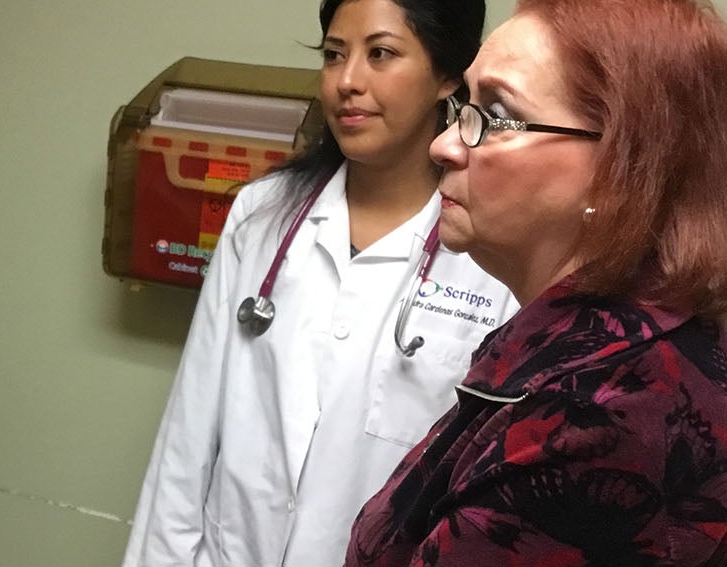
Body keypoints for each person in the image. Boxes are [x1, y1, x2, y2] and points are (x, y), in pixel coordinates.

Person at [345, 0, 727, 564]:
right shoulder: (615, 342)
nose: (444, 145)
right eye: (464, 106)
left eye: (496, 114)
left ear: (618, 171)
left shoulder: (600, 420)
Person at [123, 0, 516, 565]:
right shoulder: (262, 216)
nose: (347, 82)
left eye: (381, 54)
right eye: (334, 55)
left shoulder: (491, 251)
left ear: (448, 76)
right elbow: (188, 432)